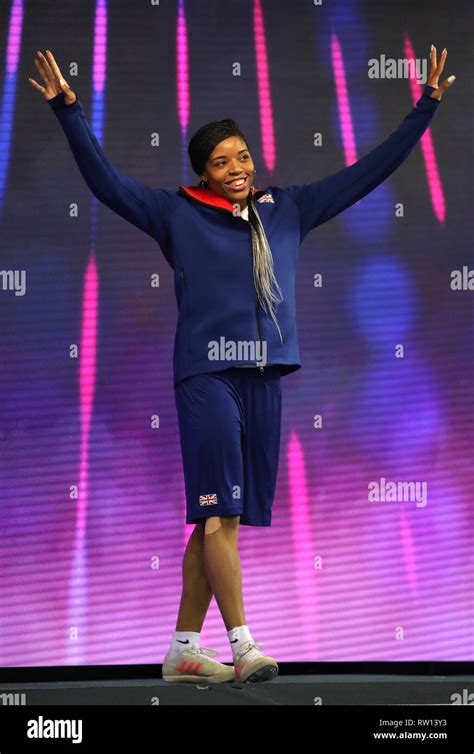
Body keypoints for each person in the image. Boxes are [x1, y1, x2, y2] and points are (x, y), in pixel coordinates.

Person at [29, 46, 454, 684]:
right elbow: (105, 181)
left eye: (243, 156)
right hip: (205, 376)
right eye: (221, 162)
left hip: (264, 378)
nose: (236, 168)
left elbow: (370, 172)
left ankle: (180, 650)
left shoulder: (290, 207)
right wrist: (68, 109)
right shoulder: (177, 213)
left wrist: (424, 109)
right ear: (202, 172)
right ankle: (243, 642)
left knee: (217, 519)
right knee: (218, 512)